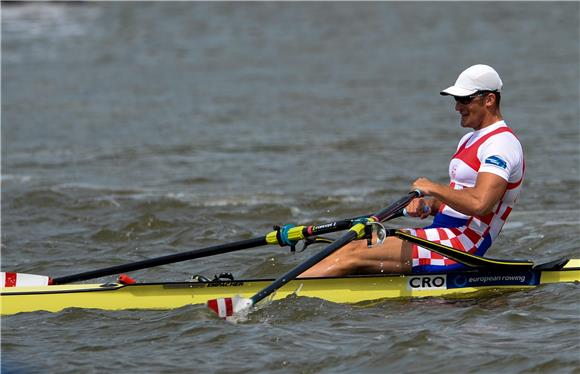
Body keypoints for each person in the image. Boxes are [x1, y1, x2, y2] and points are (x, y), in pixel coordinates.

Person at [300, 64, 525, 277]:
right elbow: (462, 197)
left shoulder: (502, 144)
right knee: (350, 246)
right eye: (456, 99)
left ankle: (287, 295)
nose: (457, 107)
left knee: (352, 253)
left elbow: (480, 204)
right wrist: (431, 205)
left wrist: (433, 189)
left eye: (464, 99)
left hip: (463, 245)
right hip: (444, 234)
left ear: (489, 99)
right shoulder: (470, 139)